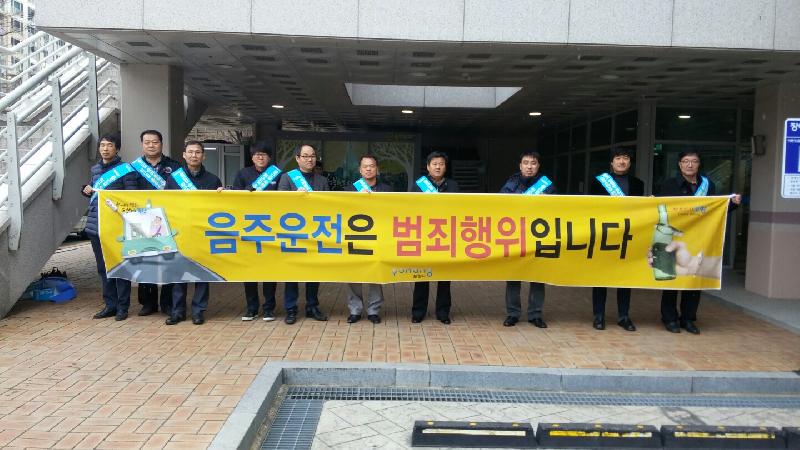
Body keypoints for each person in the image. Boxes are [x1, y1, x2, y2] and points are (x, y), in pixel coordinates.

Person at [656, 150, 742, 334]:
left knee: (694, 279)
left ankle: (688, 318)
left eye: (694, 161)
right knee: (672, 279)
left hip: (699, 238)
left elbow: (714, 210)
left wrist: (732, 204)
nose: (690, 165)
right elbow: (661, 208)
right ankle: (669, 318)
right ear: (679, 164)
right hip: (675, 238)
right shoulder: (669, 185)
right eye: (686, 161)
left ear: (699, 164)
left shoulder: (708, 185)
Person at [164, 141, 223, 325]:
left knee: (202, 273)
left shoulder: (213, 180)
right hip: (180, 232)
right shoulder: (174, 179)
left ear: (203, 156)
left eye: (198, 152)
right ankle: (178, 311)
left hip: (202, 233)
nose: (194, 155)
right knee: (178, 273)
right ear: (184, 155)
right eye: (190, 152)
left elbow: (218, 208)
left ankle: (198, 311)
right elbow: (166, 204)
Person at [82, 133, 137, 321]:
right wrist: (86, 190)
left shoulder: (126, 170)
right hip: (95, 225)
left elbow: (131, 197)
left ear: (117, 148)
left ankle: (123, 306)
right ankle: (110, 304)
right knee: (102, 268)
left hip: (116, 227)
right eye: (102, 145)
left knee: (121, 266)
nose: (105, 149)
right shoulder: (95, 169)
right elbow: (94, 192)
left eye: (110, 145)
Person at [589, 147, 644, 332]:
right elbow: (591, 208)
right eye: (618, 158)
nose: (622, 161)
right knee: (600, 278)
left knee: (624, 278)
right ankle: (598, 316)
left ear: (630, 162)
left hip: (627, 236)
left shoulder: (638, 184)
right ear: (611, 162)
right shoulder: (598, 182)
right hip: (604, 235)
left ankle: (623, 316)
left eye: (626, 158)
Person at [500, 151, 555, 328]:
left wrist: (547, 200)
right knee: (513, 276)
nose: (529, 166)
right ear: (520, 165)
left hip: (539, 236)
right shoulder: (511, 183)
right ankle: (513, 313)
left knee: (537, 276)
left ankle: (535, 314)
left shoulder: (547, 185)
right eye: (526, 163)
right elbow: (500, 204)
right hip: (515, 236)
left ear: (538, 166)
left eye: (533, 163)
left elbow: (557, 208)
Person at [130, 129, 182, 317]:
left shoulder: (175, 167)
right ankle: (148, 302)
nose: (151, 145)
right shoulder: (133, 167)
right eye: (147, 142)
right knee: (146, 260)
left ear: (161, 144)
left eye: (155, 142)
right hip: (142, 221)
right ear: (142, 144)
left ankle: (167, 302)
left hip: (168, 220)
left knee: (168, 259)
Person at [277, 144, 329, 324]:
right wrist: (293, 197)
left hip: (315, 232)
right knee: (292, 272)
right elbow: (279, 203)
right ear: (297, 158)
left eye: (312, 156)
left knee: (313, 272)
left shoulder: (322, 180)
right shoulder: (287, 178)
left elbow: (328, 206)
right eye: (305, 156)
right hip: (294, 232)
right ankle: (291, 309)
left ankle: (312, 306)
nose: (310, 159)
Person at [232, 142, 279, 322]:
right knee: (249, 270)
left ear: (269, 157)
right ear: (252, 157)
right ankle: (251, 308)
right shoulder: (242, 174)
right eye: (257, 154)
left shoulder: (278, 174)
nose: (260, 157)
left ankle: (269, 308)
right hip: (249, 227)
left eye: (264, 154)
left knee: (269, 270)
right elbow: (235, 198)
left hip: (271, 228)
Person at [411, 151, 459, 324]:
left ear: (445, 167)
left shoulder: (453, 185)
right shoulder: (419, 186)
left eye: (441, 164)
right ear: (428, 167)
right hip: (424, 234)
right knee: (422, 275)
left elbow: (459, 208)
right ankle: (418, 312)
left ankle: (443, 312)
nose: (438, 167)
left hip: (445, 235)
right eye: (434, 164)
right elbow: (410, 208)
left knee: (444, 276)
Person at [345, 154, 393, 324]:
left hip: (377, 237)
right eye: (365, 166)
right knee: (354, 273)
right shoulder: (350, 189)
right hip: (355, 236)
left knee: (375, 272)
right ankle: (355, 310)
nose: (368, 169)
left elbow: (391, 211)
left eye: (371, 166)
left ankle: (374, 310)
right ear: (360, 170)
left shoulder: (387, 190)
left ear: (377, 169)